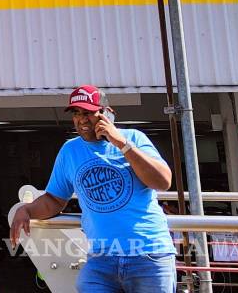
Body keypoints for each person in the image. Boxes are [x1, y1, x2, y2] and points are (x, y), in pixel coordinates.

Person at [9, 85, 175, 292]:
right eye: (76, 113)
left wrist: (122, 144)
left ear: (107, 113)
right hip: (101, 258)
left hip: (148, 253)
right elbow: (54, 200)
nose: (82, 119)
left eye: (88, 112)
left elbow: (163, 182)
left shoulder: (133, 138)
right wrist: (26, 209)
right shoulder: (70, 150)